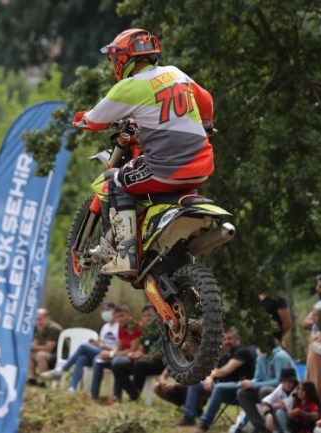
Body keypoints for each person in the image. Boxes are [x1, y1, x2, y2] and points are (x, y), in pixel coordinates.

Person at [73, 28, 216, 276]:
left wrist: (80, 119)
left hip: (165, 169)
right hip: (201, 167)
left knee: (115, 181)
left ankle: (127, 254)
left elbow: (95, 120)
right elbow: (206, 101)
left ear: (122, 59)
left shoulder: (129, 87)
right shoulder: (176, 73)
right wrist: (206, 125)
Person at [177, 327, 256, 430]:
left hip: (240, 388)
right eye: (224, 339)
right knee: (196, 385)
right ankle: (188, 418)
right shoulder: (226, 356)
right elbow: (212, 370)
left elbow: (225, 371)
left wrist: (212, 376)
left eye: (230, 338)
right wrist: (209, 379)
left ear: (237, 339)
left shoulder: (243, 352)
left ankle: (204, 425)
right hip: (221, 388)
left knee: (219, 387)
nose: (227, 342)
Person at [40, 301, 119, 393]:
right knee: (81, 358)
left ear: (114, 311)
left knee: (83, 346)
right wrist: (96, 343)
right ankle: (72, 388)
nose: (105, 312)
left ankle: (61, 370)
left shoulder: (118, 327)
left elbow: (118, 348)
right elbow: (101, 342)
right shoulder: (105, 327)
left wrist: (103, 346)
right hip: (100, 352)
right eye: (103, 310)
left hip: (110, 354)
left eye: (107, 310)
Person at [236, 334, 298, 433]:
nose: (258, 349)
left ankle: (275, 426)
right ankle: (261, 427)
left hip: (286, 392)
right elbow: (257, 378)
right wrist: (248, 383)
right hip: (267, 391)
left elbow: (280, 382)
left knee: (264, 390)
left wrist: (254, 384)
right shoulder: (260, 358)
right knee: (242, 393)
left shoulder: (280, 357)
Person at [110, 305, 164, 402]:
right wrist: (134, 355)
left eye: (150, 315)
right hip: (144, 361)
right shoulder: (146, 332)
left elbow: (162, 355)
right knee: (117, 366)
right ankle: (133, 394)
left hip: (159, 364)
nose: (148, 318)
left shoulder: (163, 332)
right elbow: (141, 349)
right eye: (145, 316)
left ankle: (133, 397)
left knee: (139, 364)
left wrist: (143, 356)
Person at [90, 304, 142, 401]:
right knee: (98, 360)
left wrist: (111, 354)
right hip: (122, 356)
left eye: (122, 315)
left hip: (134, 359)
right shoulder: (121, 328)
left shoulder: (135, 326)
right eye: (117, 317)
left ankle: (117, 396)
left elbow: (132, 351)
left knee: (116, 362)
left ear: (129, 315)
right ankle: (94, 395)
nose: (120, 319)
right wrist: (109, 354)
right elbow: (119, 348)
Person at [28, 308, 62, 387]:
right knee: (30, 354)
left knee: (40, 355)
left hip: (58, 356)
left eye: (40, 319)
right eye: (37, 320)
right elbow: (35, 342)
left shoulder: (54, 329)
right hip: (46, 354)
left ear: (47, 318)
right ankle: (32, 379)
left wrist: (34, 346)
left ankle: (44, 381)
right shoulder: (39, 329)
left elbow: (48, 349)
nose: (38, 322)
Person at [260, 367, 299, 433]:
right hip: (286, 417)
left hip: (297, 421)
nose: (288, 384)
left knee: (279, 412)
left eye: (290, 381)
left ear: (294, 381)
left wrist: (275, 405)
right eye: (285, 381)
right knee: (265, 393)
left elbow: (285, 405)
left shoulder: (298, 389)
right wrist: (268, 414)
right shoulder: (281, 387)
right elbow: (266, 401)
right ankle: (277, 430)